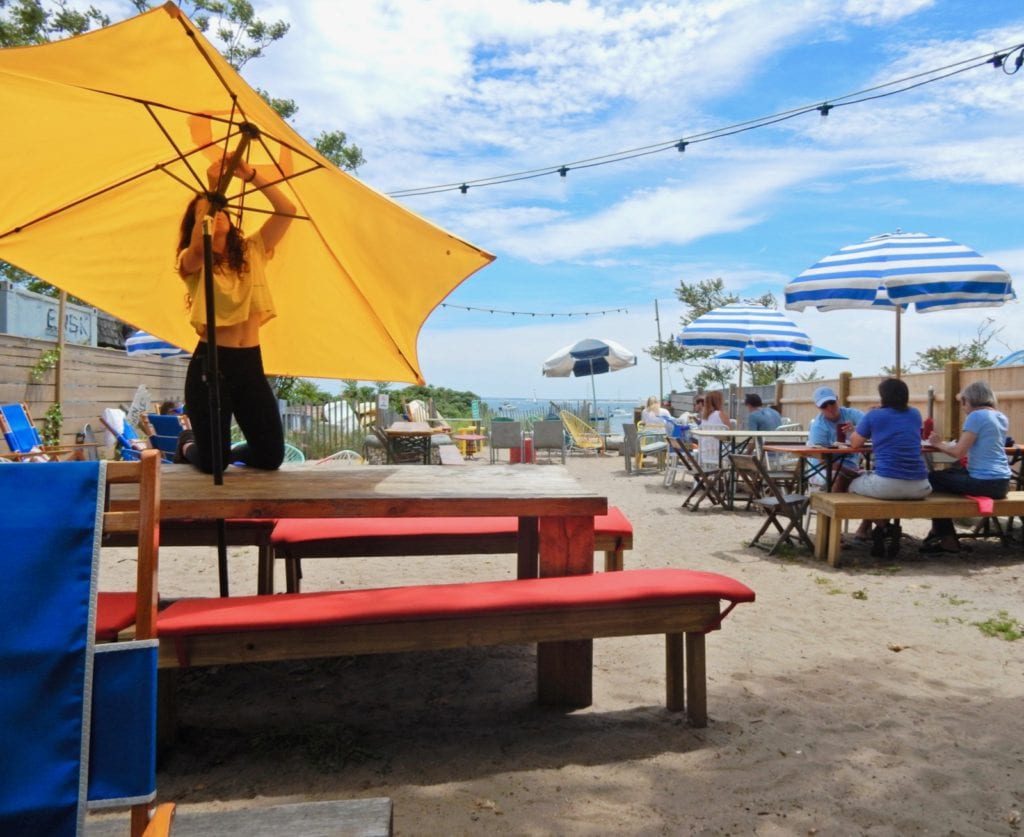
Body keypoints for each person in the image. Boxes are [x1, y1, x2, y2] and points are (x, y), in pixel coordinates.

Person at [174, 151, 296, 473]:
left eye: (220, 208)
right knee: (214, 464)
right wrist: (212, 190)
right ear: (198, 222)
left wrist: (250, 174)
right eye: (208, 210)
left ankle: (226, 451)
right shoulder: (192, 261)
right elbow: (202, 247)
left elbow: (287, 210)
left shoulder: (253, 251)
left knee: (270, 458)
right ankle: (186, 444)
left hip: (249, 365)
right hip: (210, 366)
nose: (218, 213)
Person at [922, 381, 1011, 554]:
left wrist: (938, 443)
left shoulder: (976, 416)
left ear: (970, 400)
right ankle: (939, 532)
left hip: (983, 482)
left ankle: (946, 538)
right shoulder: (1000, 417)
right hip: (1002, 482)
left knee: (932, 479)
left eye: (963, 402)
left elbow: (958, 452)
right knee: (948, 475)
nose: (963, 408)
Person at [846, 378, 932, 557]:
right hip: (921, 486)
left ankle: (884, 526)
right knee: (873, 482)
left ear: (883, 397)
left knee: (850, 483)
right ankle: (877, 529)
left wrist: (860, 425)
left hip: (888, 484)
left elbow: (855, 443)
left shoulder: (874, 415)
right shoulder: (915, 414)